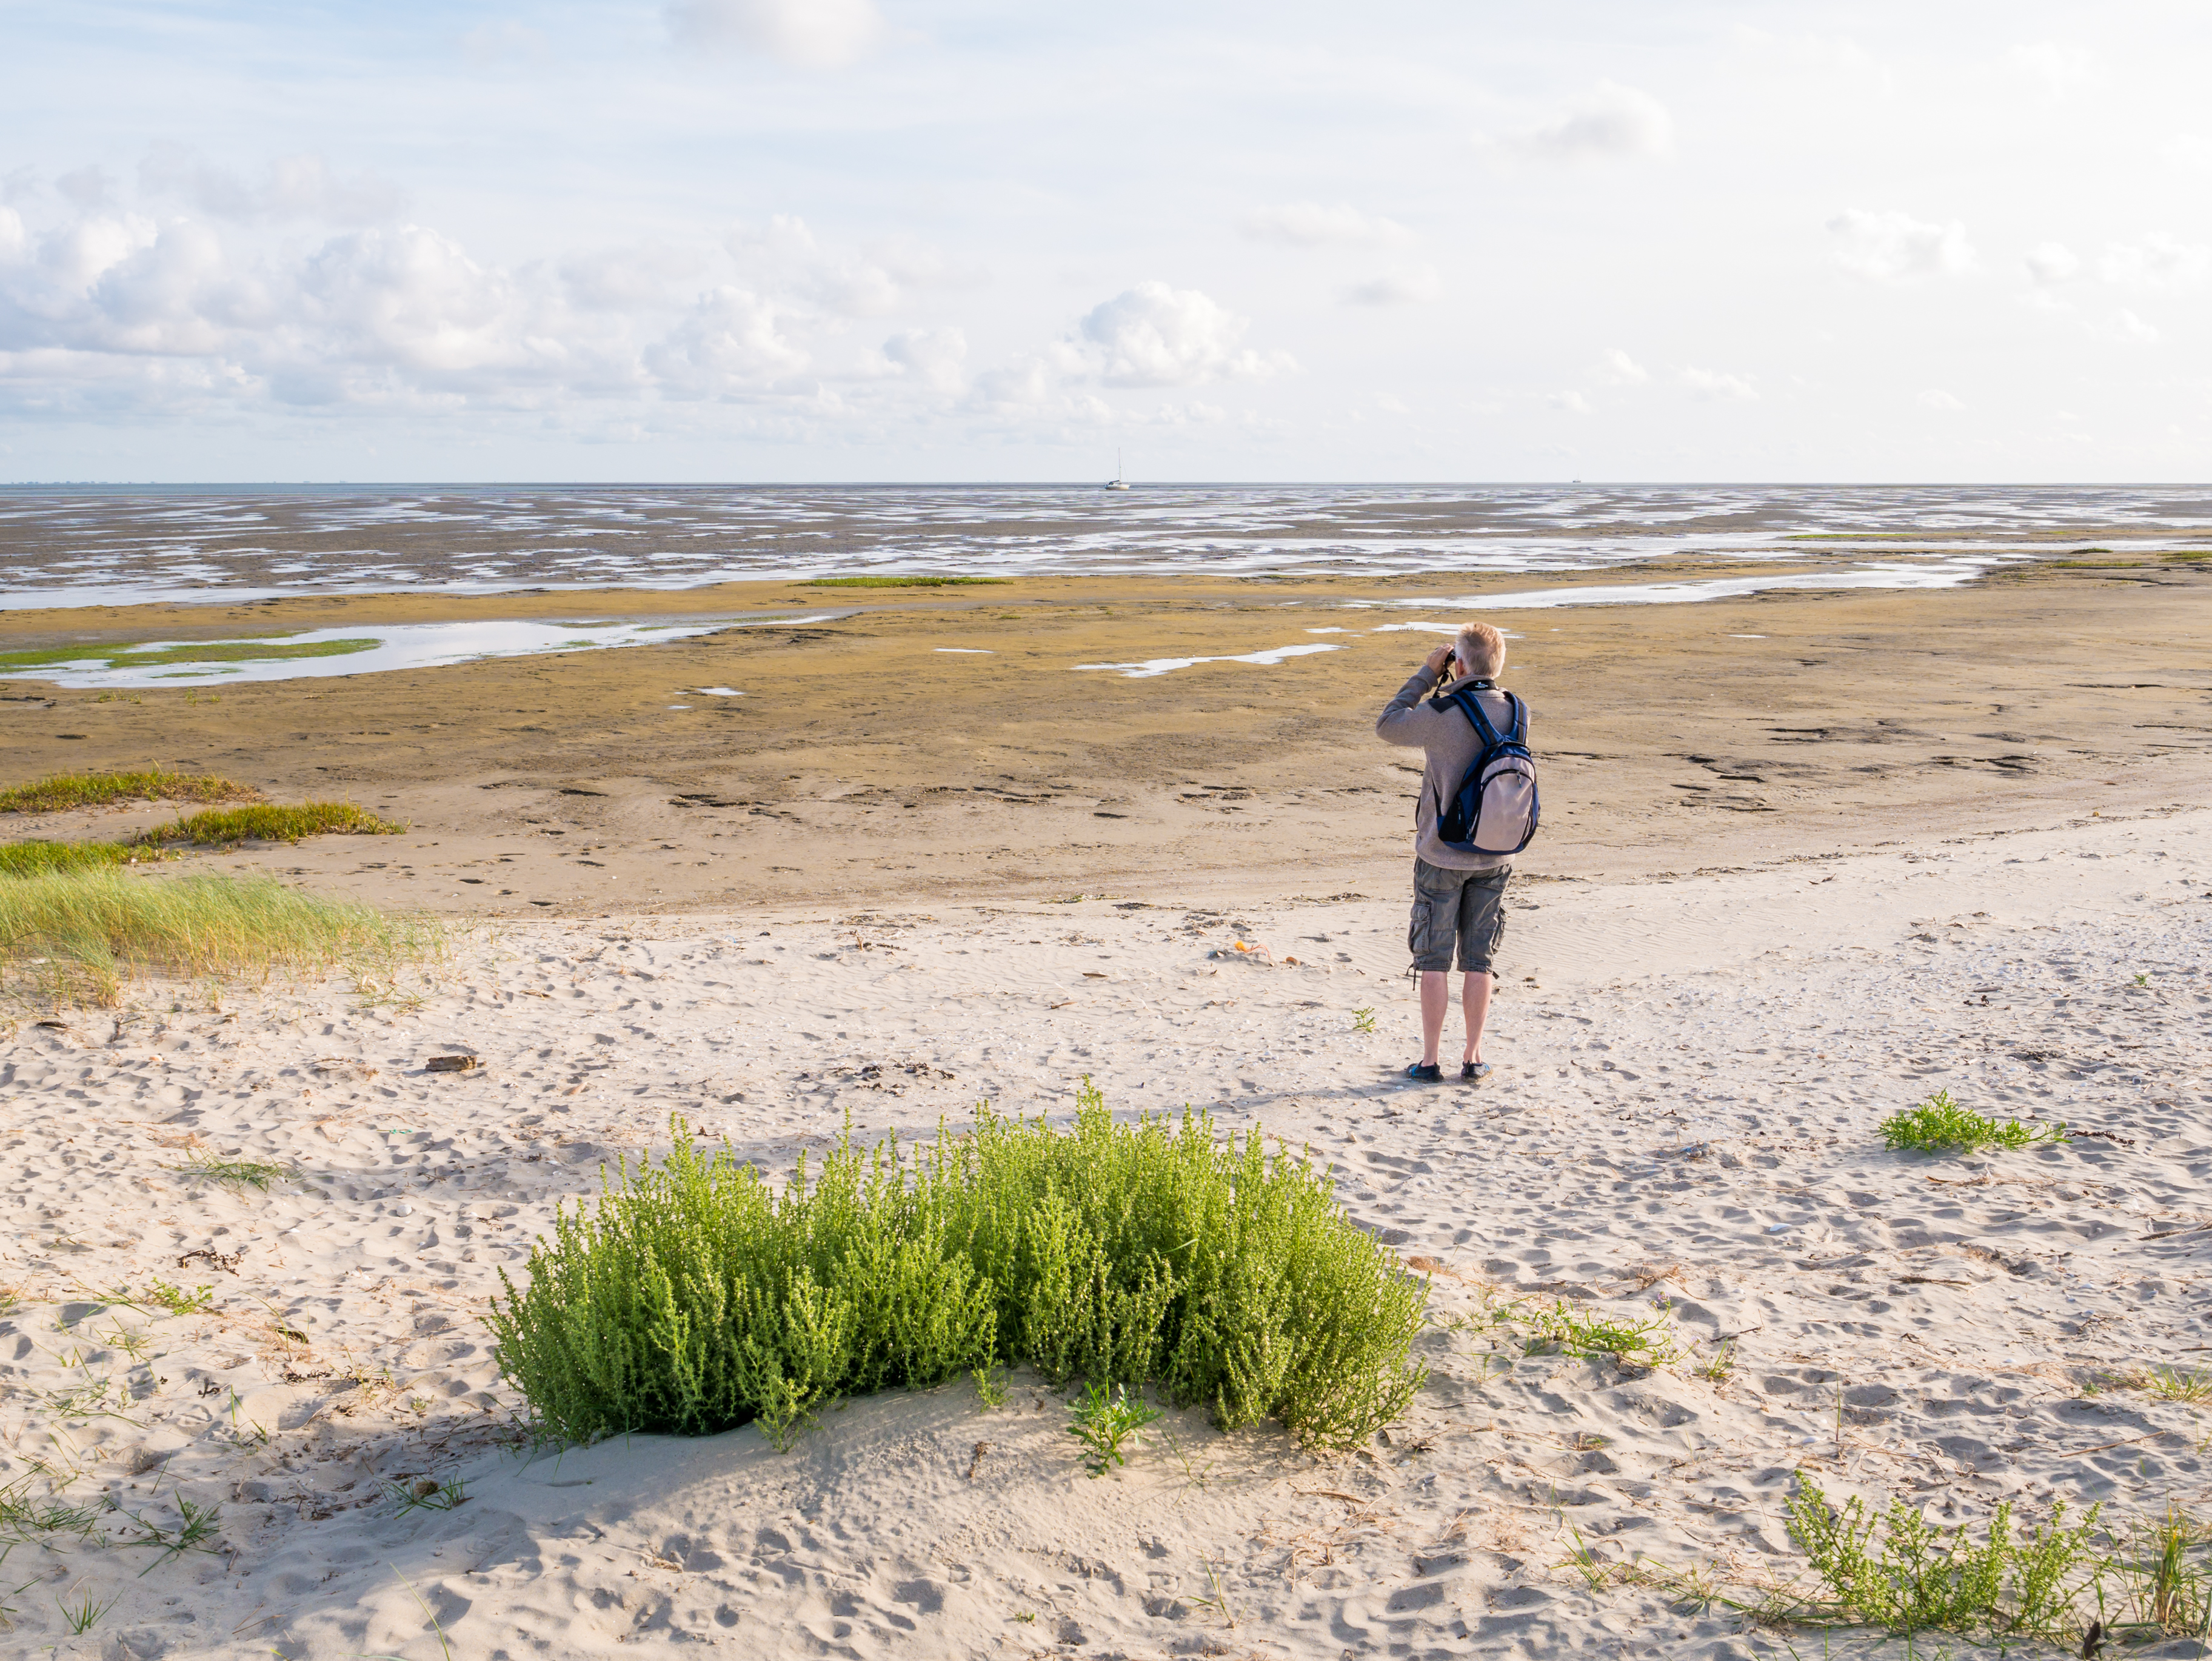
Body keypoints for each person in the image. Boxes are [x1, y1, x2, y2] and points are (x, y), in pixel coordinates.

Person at [1374, 620, 1523, 1083]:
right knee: (1480, 961)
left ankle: (1429, 1061)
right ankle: (1473, 1058)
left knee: (1433, 961)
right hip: (1495, 853)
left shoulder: (1440, 712)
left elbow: (1387, 725)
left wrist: (1426, 674)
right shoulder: (1518, 710)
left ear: (1457, 664)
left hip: (1440, 854)